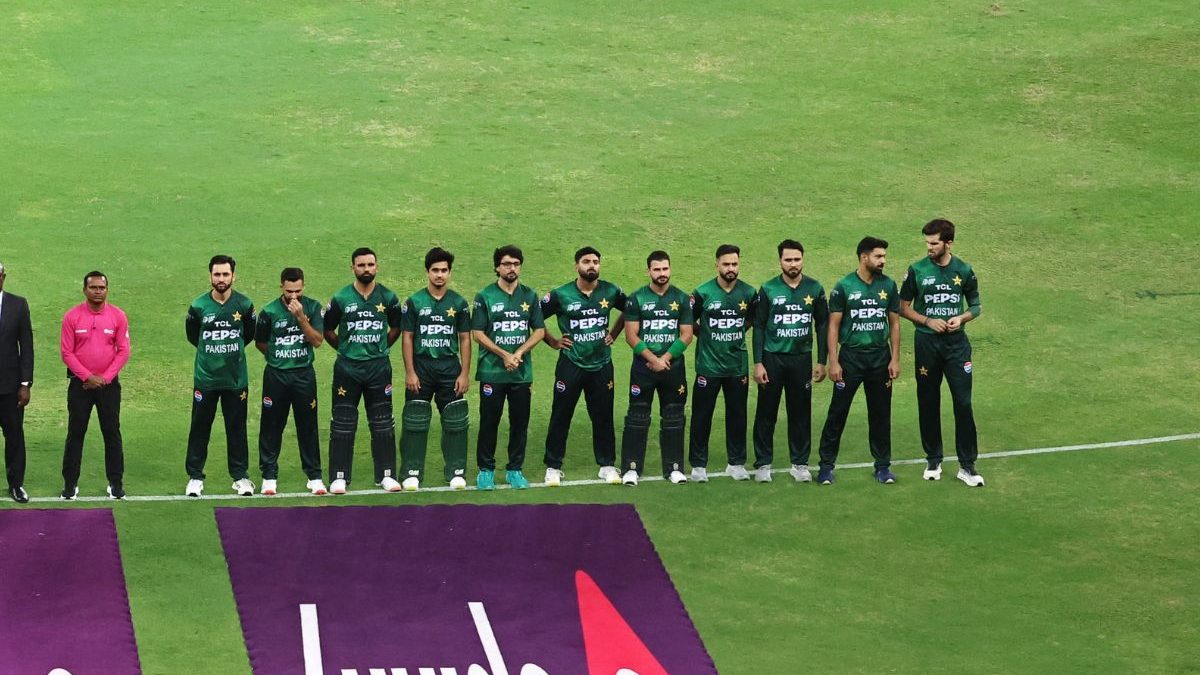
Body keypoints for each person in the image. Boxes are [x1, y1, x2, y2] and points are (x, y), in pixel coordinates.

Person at [899, 219, 984, 487]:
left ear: (948, 243)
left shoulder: (964, 270)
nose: (929, 247)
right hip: (927, 345)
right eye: (927, 242)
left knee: (963, 403)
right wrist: (926, 321)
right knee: (928, 400)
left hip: (957, 346)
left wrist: (962, 318)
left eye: (934, 243)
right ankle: (933, 458)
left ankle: (967, 466)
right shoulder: (916, 270)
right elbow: (903, 307)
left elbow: (977, 306)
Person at [816, 237, 901, 485]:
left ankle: (883, 467)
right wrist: (834, 361)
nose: (883, 261)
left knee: (881, 414)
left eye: (884, 256)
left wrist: (894, 358)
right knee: (837, 413)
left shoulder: (889, 285)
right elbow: (833, 325)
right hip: (851, 358)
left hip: (879, 358)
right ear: (864, 257)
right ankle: (825, 466)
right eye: (878, 256)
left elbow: (894, 323)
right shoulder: (844, 286)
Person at [539, 247, 626, 486]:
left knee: (603, 415)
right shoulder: (561, 294)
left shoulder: (611, 290)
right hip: (571, 363)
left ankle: (607, 465)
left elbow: (631, 310)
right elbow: (533, 317)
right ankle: (553, 466)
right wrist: (553, 341)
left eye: (596, 262)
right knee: (561, 414)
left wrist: (615, 334)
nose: (591, 266)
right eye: (586, 261)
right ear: (576, 265)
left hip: (601, 364)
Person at [324, 247, 404, 494]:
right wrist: (346, 348)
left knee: (382, 422)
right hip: (347, 369)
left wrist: (378, 349)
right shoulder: (340, 298)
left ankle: (386, 475)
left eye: (370, 264)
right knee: (342, 422)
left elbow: (396, 328)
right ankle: (339, 477)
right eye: (361, 265)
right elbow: (327, 330)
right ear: (353, 268)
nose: (366, 269)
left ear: (376, 267)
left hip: (378, 368)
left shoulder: (389, 298)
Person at [751, 240, 828, 483]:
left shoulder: (815, 289)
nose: (793, 264)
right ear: (780, 261)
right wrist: (758, 362)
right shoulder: (768, 289)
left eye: (797, 259)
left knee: (800, 412)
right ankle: (763, 464)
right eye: (788, 260)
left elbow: (823, 324)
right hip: (772, 359)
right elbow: (759, 326)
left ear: (803, 259)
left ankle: (800, 464)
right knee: (766, 412)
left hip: (801, 359)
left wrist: (822, 360)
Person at [398, 247, 472, 491]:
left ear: (450, 273)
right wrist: (410, 371)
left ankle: (456, 471)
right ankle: (411, 472)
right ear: (427, 272)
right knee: (415, 418)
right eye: (435, 270)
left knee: (456, 420)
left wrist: (464, 373)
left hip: (449, 368)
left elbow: (464, 339)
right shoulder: (414, 302)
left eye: (444, 270)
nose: (439, 275)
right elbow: (407, 337)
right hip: (422, 367)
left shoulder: (459, 303)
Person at [471, 245, 544, 490]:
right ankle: (486, 470)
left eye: (515, 264)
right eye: (506, 264)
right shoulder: (485, 296)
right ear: (497, 267)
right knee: (489, 421)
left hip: (521, 372)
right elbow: (477, 333)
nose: (511, 268)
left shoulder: (530, 296)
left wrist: (519, 353)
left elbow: (540, 331)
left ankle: (515, 469)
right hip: (492, 371)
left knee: (519, 422)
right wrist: (504, 355)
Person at [620, 250, 693, 486]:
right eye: (657, 269)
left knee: (674, 417)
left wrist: (666, 358)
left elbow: (687, 334)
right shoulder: (636, 299)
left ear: (670, 269)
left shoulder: (682, 299)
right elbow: (630, 335)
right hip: (643, 368)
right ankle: (631, 469)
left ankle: (674, 468)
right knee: (637, 417)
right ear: (648, 271)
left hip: (673, 367)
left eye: (665, 269)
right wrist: (653, 359)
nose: (662, 274)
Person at [184, 255, 256, 497]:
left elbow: (248, 336)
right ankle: (195, 477)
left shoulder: (245, 305)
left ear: (233, 276)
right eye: (217, 274)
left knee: (236, 427)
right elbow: (194, 337)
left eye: (226, 274)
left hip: (236, 380)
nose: (221, 279)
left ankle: (240, 477)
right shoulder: (198, 306)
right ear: (210, 276)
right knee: (200, 427)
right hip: (206, 379)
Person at [254, 267, 327, 496]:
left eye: (297, 291)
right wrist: (277, 359)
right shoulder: (269, 311)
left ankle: (314, 476)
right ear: (281, 287)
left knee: (308, 426)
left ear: (303, 286)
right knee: (271, 426)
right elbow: (260, 342)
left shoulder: (314, 308)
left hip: (304, 376)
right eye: (289, 292)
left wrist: (300, 318)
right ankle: (269, 476)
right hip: (276, 376)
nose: (293, 296)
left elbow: (317, 341)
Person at [688, 244, 757, 482]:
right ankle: (698, 466)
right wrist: (705, 333)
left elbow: (751, 320)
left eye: (734, 264)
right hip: (708, 366)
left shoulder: (749, 293)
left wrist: (737, 331)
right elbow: (688, 321)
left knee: (737, 415)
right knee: (701, 416)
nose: (731, 268)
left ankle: (736, 464)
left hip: (737, 366)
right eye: (726, 264)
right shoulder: (702, 293)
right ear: (716, 264)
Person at [60, 271, 131, 500]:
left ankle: (115, 484)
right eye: (93, 288)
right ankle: (70, 484)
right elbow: (67, 353)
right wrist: (87, 377)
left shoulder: (118, 316)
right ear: (85, 290)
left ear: (107, 290)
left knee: (111, 433)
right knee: (76, 433)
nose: (98, 291)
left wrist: (105, 378)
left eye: (102, 287)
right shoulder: (72, 317)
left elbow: (123, 351)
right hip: (80, 387)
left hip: (108, 387)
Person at [0, 262, 34, 504]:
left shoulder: (18, 304)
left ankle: (16, 484)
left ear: (3, 277)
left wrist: (25, 384)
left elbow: (27, 346)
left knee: (14, 437)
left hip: (10, 388)